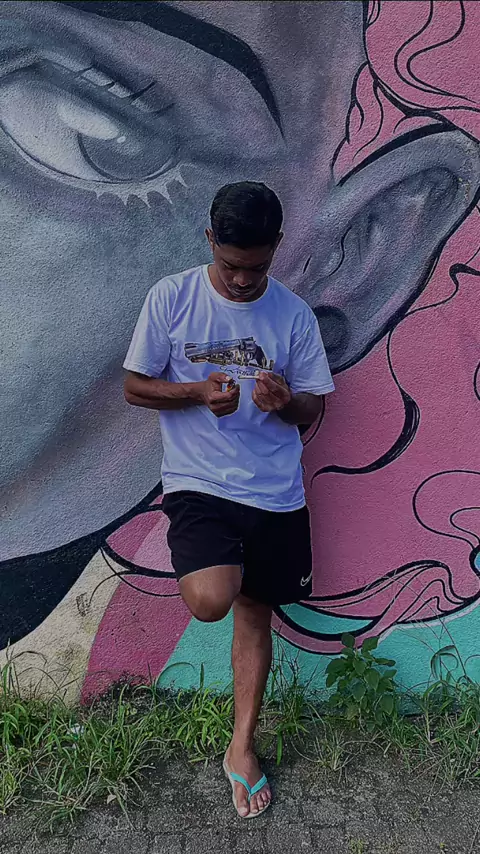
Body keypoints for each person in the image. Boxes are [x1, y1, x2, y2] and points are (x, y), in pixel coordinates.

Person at [123, 181, 335, 818]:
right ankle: (230, 578)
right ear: (210, 239)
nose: (243, 281)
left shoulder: (293, 315)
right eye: (232, 265)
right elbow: (134, 386)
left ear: (276, 248)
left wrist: (285, 403)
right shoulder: (172, 297)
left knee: (255, 614)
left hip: (275, 491)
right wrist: (194, 393)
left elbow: (312, 408)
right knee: (212, 598)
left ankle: (241, 747)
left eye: (257, 268)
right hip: (200, 483)